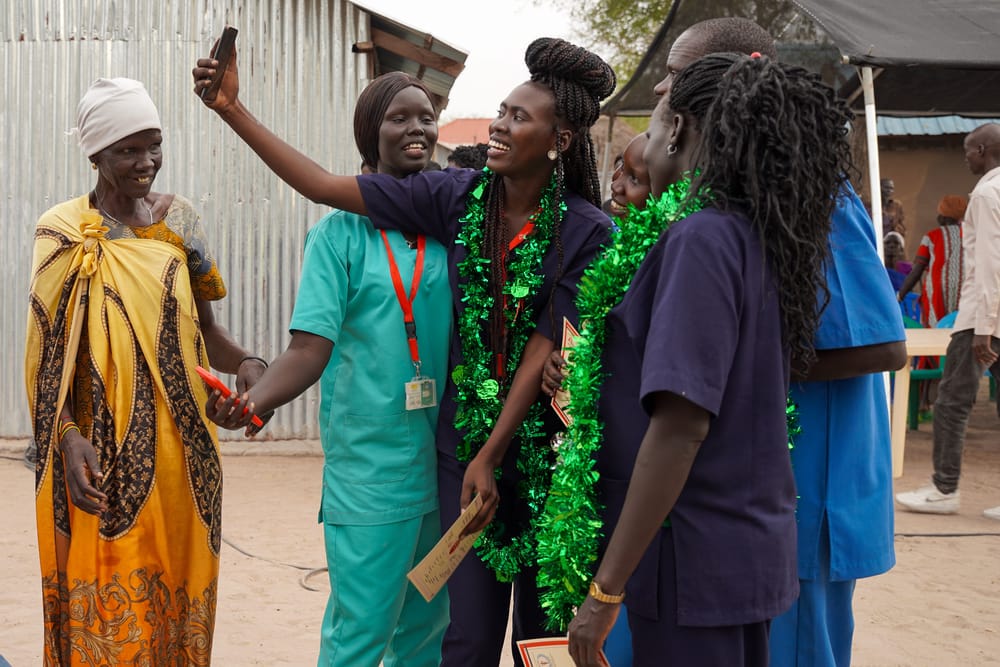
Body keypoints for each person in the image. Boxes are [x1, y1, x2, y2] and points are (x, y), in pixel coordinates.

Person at [192, 37, 615, 666]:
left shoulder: (584, 228)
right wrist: (233, 108)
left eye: (518, 116)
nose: (498, 124)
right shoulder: (458, 199)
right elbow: (321, 192)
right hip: (449, 459)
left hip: (541, 462)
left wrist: (498, 448)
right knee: (457, 636)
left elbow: (545, 345)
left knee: (530, 636)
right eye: (499, 110)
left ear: (560, 139)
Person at [563, 52, 853, 667]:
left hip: (688, 559)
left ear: (679, 127)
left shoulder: (702, 238)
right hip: (738, 555)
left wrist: (605, 588)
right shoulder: (755, 235)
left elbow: (680, 427)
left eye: (657, 113)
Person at [206, 72, 451, 666]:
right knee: (360, 637)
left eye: (426, 117)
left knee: (426, 632)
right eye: (400, 118)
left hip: (445, 473)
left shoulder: (449, 226)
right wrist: (255, 401)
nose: (418, 128)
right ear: (371, 133)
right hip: (371, 479)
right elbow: (308, 351)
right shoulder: (337, 236)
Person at [24, 77, 263, 664]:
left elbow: (205, 333)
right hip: (101, 456)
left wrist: (252, 364)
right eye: (128, 149)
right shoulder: (60, 232)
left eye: (154, 145)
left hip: (186, 455)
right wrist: (67, 437)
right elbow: (45, 356)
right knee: (109, 610)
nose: (146, 162)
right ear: (96, 154)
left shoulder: (179, 221)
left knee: (178, 601)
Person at [896, 123, 1000, 519]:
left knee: (952, 401)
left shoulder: (988, 193)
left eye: (968, 149)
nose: (965, 156)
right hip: (992, 314)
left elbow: (990, 266)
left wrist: (984, 329)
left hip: (981, 318)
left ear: (984, 149)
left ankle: (944, 488)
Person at [898, 195, 966, 327]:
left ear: (943, 216)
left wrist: (900, 296)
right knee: (960, 327)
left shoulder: (931, 236)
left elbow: (917, 270)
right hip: (966, 290)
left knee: (936, 329)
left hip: (937, 291)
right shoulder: (971, 234)